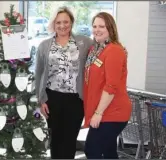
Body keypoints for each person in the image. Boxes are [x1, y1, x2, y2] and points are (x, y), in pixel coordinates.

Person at [35, 6, 93, 159]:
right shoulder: (44, 46)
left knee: (69, 140)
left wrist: (119, 49)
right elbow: (39, 74)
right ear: (54, 24)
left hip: (75, 99)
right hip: (52, 98)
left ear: (72, 23)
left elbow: (102, 51)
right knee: (55, 140)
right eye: (58, 22)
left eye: (66, 22)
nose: (62, 26)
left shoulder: (84, 42)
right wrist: (40, 100)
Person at [83, 12, 132, 159]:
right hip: (103, 110)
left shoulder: (114, 50)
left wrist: (98, 113)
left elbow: (111, 86)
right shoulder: (96, 50)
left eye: (101, 26)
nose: (97, 29)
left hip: (112, 112)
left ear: (110, 28)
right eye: (94, 26)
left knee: (92, 150)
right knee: (109, 152)